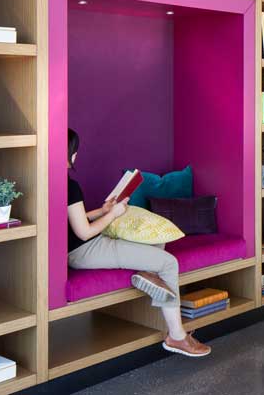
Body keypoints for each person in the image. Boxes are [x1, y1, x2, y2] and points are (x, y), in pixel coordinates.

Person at [65, 128, 210, 357]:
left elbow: (74, 219)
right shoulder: (70, 185)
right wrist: (114, 214)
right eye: (76, 151)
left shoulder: (56, 181)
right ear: (71, 153)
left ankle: (146, 274)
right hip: (85, 250)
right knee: (169, 263)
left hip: (84, 246)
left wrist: (103, 210)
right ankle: (177, 336)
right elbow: (83, 233)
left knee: (157, 241)